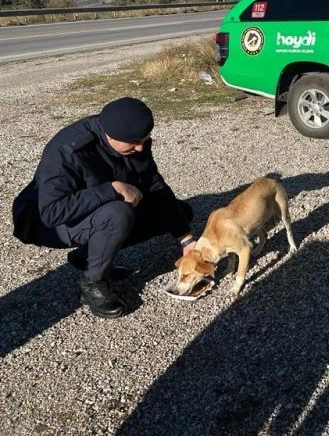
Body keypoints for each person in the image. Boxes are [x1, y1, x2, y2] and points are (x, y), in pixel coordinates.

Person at [11, 97, 196, 319]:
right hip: (45, 222)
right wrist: (112, 189)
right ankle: (93, 284)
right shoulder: (67, 150)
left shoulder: (135, 140)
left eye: (144, 140)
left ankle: (88, 257)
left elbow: (156, 186)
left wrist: (186, 238)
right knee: (118, 214)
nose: (140, 148)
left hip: (93, 209)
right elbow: (51, 212)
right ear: (110, 135)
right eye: (134, 143)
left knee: (179, 212)